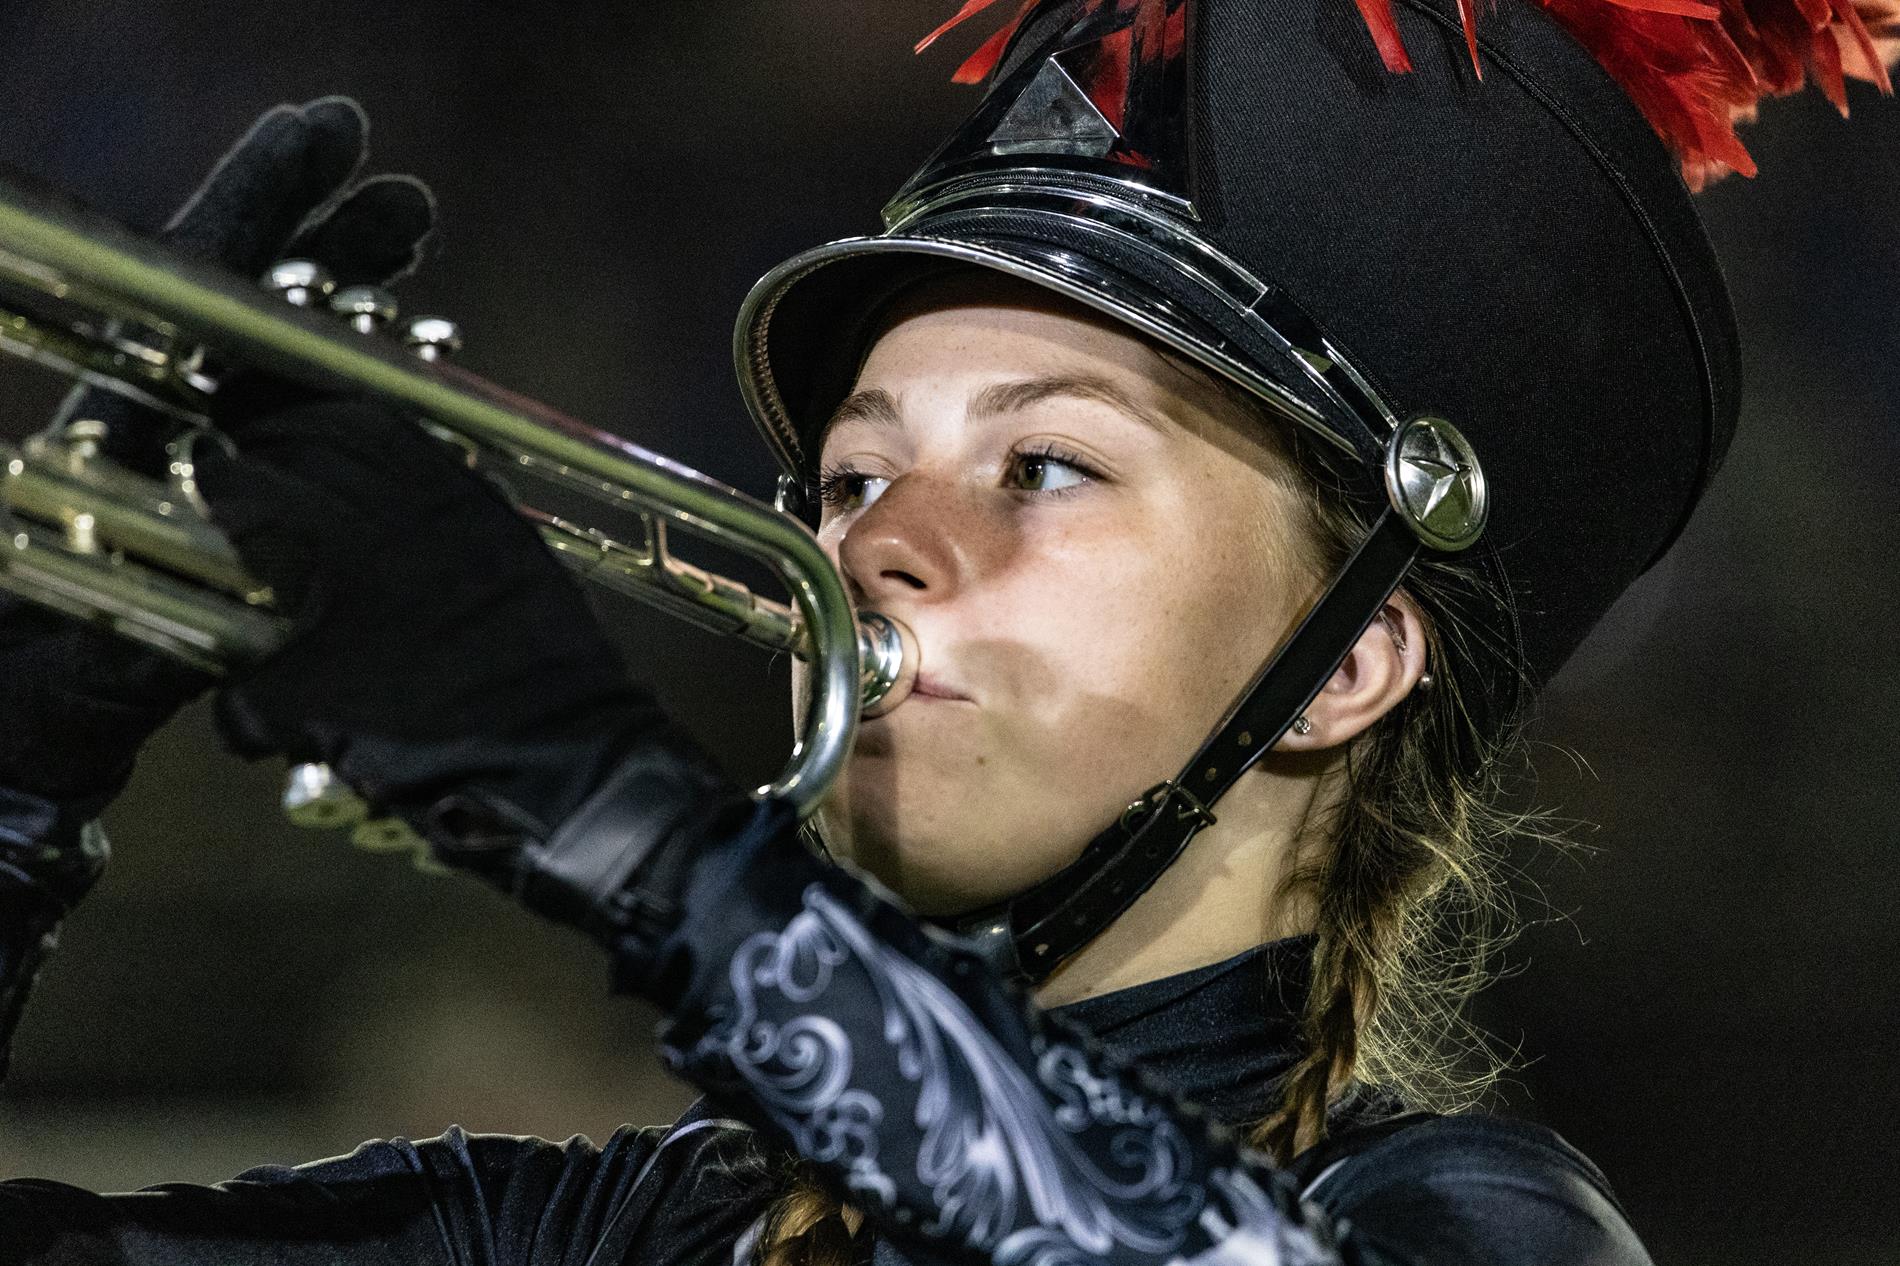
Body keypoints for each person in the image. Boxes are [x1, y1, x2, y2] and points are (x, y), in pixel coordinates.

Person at [0, 0, 1892, 1263]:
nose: (883, 538)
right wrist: (17, 788)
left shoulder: (1468, 1220)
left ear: (1343, 663)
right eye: (849, 474)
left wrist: (607, 809)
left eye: (1048, 466)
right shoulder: (625, 1233)